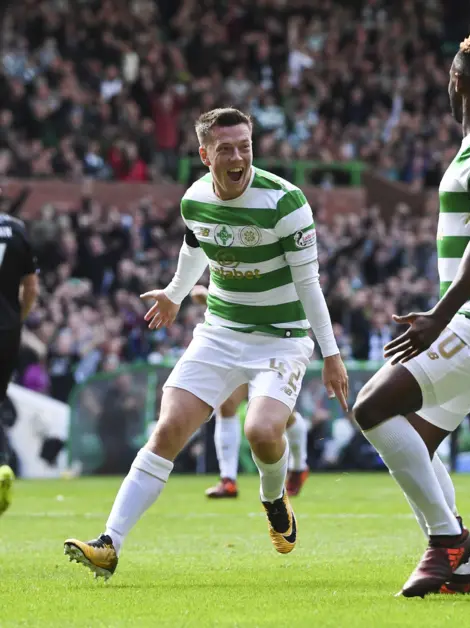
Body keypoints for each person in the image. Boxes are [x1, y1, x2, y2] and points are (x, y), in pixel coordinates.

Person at [64, 107, 348, 579]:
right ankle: (109, 542)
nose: (239, 157)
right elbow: (196, 246)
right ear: (204, 155)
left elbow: (309, 284)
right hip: (220, 331)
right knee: (168, 428)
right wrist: (175, 294)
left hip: (282, 337)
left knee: (261, 432)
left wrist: (332, 354)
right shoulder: (194, 200)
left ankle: (274, 498)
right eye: (226, 149)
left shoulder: (286, 202)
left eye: (246, 146)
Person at [352, 33, 470, 597]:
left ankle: (447, 542)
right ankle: (462, 570)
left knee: (373, 408)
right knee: (416, 441)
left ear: (455, 80)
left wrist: (438, 315)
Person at [188, 286, 310, 499]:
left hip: (275, 347)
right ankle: (228, 480)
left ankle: (299, 466)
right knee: (226, 405)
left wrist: (207, 297)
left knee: (282, 418)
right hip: (238, 346)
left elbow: (259, 309)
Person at [0, 203, 39, 516]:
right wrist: (17, 320)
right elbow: (31, 287)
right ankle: (1, 463)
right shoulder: (16, 229)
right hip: (7, 327)